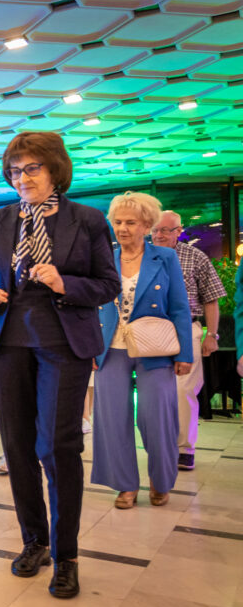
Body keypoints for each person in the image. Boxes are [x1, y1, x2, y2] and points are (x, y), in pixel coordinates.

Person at [0, 131, 120, 599]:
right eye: (15, 171)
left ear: (55, 169)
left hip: (63, 344)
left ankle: (67, 554)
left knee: (57, 446)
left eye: (32, 168)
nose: (22, 178)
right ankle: (33, 540)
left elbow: (106, 284)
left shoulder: (88, 220)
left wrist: (64, 283)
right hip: (8, 343)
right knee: (17, 447)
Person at [92, 193, 192, 509]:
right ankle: (125, 486)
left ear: (147, 225)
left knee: (156, 416)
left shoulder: (165, 258)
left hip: (156, 348)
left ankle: (161, 481)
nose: (122, 228)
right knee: (111, 419)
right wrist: (88, 350)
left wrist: (185, 353)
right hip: (110, 348)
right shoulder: (101, 258)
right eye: (117, 221)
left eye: (130, 222)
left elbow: (179, 307)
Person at [150, 211, 225, 472]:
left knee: (184, 390)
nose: (159, 235)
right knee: (156, 392)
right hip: (149, 330)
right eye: (155, 230)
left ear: (179, 231)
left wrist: (212, 336)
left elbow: (211, 299)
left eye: (165, 230)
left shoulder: (196, 257)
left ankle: (184, 449)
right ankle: (160, 446)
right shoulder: (142, 256)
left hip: (186, 328)